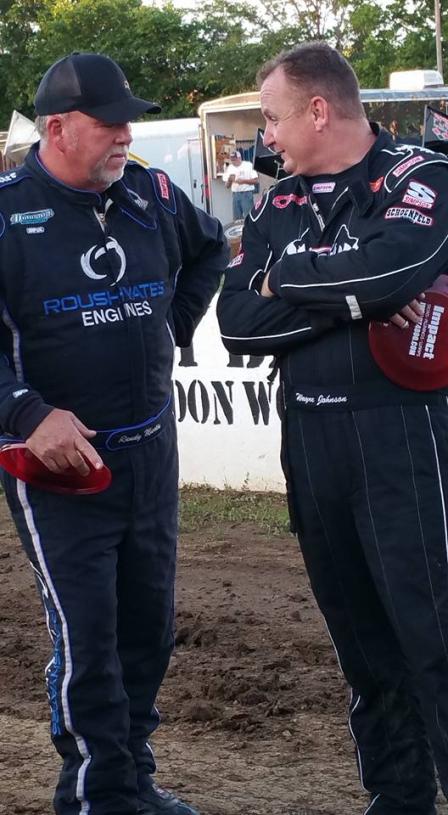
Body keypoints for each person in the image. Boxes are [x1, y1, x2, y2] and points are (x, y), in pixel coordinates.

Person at [217, 41, 448, 815]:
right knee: (364, 651)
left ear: (319, 109)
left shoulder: (420, 177)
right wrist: (342, 297)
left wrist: (282, 278)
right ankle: (400, 799)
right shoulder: (279, 204)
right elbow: (238, 322)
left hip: (401, 441)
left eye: (275, 118)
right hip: (310, 445)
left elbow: (389, 272)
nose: (268, 138)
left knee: (434, 638)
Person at [0, 52, 228, 815]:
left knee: (147, 630)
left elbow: (206, 252)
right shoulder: (7, 213)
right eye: (110, 122)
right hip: (61, 475)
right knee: (88, 640)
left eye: (129, 119)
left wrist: (170, 328)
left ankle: (123, 781)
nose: (126, 134)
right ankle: (100, 797)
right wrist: (28, 413)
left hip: (151, 453)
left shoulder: (152, 193)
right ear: (58, 128)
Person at [222, 149, 258, 220]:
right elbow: (227, 186)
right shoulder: (230, 168)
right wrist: (229, 180)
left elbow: (255, 181)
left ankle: (249, 230)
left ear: (239, 158)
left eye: (235, 160)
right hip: (235, 195)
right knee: (237, 218)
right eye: (232, 160)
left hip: (246, 194)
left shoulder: (248, 165)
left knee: (249, 217)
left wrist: (243, 181)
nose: (233, 162)